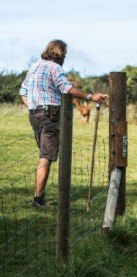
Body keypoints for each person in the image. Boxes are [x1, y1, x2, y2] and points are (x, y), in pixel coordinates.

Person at [19, 40, 106, 208]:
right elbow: (66, 88)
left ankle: (40, 196)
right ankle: (38, 199)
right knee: (46, 156)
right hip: (50, 114)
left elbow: (23, 91)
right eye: (64, 55)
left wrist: (32, 107)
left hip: (34, 114)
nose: (64, 58)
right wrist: (90, 96)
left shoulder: (34, 66)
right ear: (59, 54)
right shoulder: (55, 67)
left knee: (45, 155)